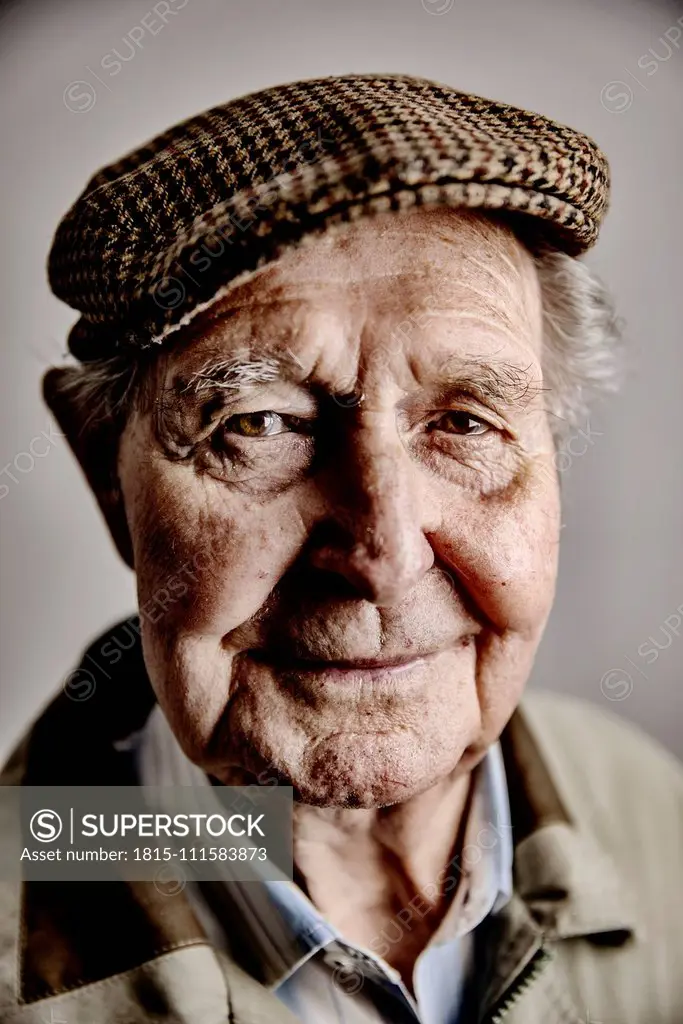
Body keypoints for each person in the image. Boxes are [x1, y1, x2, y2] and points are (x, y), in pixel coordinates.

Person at [2, 73, 682, 1024]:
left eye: (466, 424)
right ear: (106, 479)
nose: (383, 553)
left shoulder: (653, 813)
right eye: (261, 423)